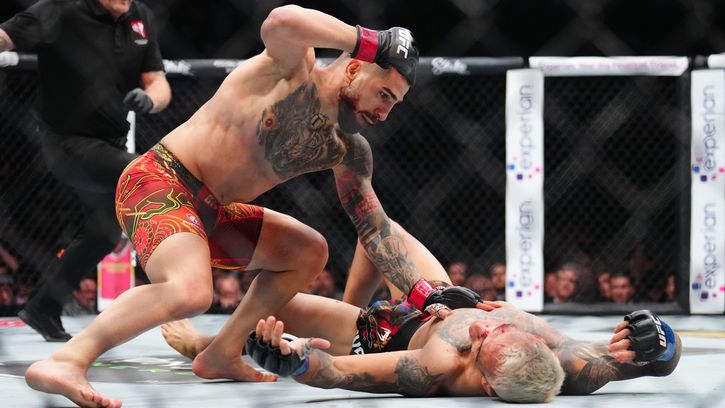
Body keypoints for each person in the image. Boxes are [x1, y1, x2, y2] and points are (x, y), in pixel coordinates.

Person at [24, 6, 483, 407]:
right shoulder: (291, 69)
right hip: (159, 179)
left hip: (213, 212)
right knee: (191, 292)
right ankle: (67, 360)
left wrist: (428, 297)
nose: (384, 114)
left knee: (309, 251)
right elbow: (281, 20)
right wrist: (368, 39)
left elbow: (375, 229)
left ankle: (222, 352)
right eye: (384, 94)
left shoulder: (348, 149)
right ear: (353, 69)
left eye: (395, 104)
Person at [163, 221, 682, 402]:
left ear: (484, 384)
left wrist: (294, 360)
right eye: (501, 326)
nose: (485, 327)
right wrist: (659, 341)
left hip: (382, 333)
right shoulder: (565, 364)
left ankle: (213, 347)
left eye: (484, 340)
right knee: (379, 233)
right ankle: (345, 301)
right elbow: (651, 364)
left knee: (273, 295)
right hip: (442, 297)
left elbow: (337, 372)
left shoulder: (434, 366)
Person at [0, 0, 171, 342]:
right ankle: (174, 283)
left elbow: (158, 82)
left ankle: (43, 307)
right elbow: (6, 36)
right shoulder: (62, 9)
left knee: (105, 233)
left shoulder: (140, 17)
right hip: (66, 143)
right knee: (146, 171)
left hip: (111, 144)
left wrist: (149, 99)